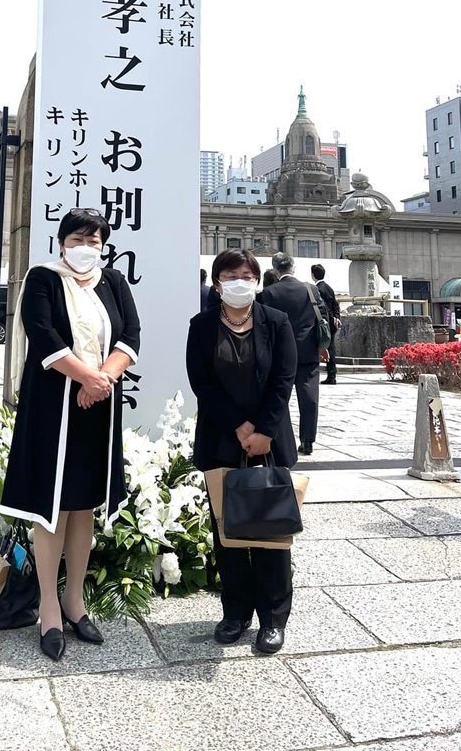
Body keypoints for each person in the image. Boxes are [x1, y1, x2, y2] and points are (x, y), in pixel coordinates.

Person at [1, 209, 141, 661]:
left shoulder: (113, 283)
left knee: (84, 505)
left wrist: (100, 381)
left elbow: (130, 337)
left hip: (96, 409)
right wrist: (86, 378)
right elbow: (41, 334)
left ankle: (75, 601)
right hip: (52, 407)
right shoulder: (42, 278)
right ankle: (48, 608)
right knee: (52, 507)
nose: (88, 247)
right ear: (62, 242)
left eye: (96, 240)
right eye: (79, 238)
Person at [187, 248, 298, 656]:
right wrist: (239, 426)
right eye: (231, 275)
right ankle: (235, 613)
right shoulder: (201, 325)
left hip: (270, 443)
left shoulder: (276, 322)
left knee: (271, 531)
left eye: (247, 275)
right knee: (227, 531)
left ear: (257, 280)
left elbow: (284, 378)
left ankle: (273, 618)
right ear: (217, 283)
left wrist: (264, 430)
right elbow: (202, 382)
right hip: (221, 438)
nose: (240, 281)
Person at [258, 251, 328, 455]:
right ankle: (307, 441)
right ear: (293, 268)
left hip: (279, 354)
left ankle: (280, 439)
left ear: (275, 270)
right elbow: (323, 316)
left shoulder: (269, 293)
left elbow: (263, 326)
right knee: (309, 397)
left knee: (279, 397)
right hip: (308, 350)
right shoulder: (311, 289)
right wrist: (323, 346)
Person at [312, 264, 341, 385]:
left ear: (313, 275)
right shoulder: (329, 288)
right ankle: (332, 375)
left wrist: (330, 317)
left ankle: (327, 375)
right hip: (332, 323)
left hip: (323, 323)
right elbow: (335, 305)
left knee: (320, 349)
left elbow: (322, 307)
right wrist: (336, 317)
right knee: (331, 349)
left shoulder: (317, 289)